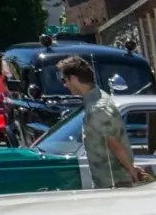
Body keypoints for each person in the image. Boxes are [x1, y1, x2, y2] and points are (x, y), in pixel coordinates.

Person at [58, 55, 145, 188]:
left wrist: (131, 170)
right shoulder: (97, 99)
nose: (65, 85)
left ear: (74, 79)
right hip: (108, 180)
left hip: (114, 182)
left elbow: (114, 143)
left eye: (65, 80)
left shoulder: (98, 107)